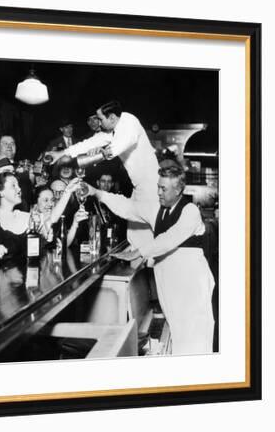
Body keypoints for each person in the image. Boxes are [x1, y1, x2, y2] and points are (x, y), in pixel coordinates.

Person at [89, 161, 215, 355]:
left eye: (163, 189)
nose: (158, 193)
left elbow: (169, 239)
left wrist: (139, 251)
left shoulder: (191, 212)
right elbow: (129, 207)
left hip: (192, 289)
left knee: (194, 344)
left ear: (178, 190)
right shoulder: (158, 209)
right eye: (158, 187)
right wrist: (98, 193)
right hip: (169, 287)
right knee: (177, 339)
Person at [45, 100, 159, 250]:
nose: (98, 123)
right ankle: (139, 255)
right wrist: (62, 153)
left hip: (153, 184)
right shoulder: (113, 127)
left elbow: (113, 150)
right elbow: (91, 142)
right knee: (135, 231)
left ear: (112, 118)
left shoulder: (130, 124)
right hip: (139, 186)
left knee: (155, 228)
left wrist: (78, 161)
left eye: (100, 119)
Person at [0, 172, 30, 254]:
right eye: (13, 185)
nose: (19, 189)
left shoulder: (24, 217)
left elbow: (52, 218)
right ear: (0, 192)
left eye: (18, 185)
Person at [0, 134, 32, 211]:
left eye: (12, 143)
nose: (9, 146)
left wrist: (33, 180)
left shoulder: (24, 168)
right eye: (5, 143)